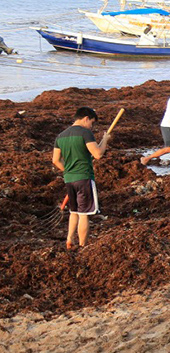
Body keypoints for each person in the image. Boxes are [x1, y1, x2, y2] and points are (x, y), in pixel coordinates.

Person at [52, 107, 111, 249]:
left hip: (69, 179)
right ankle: (82, 246)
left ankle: (69, 240)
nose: (92, 126)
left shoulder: (61, 136)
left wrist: (69, 171)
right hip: (84, 177)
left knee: (74, 211)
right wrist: (105, 140)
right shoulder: (85, 133)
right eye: (92, 122)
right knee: (84, 214)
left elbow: (55, 160)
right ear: (86, 118)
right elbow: (97, 154)